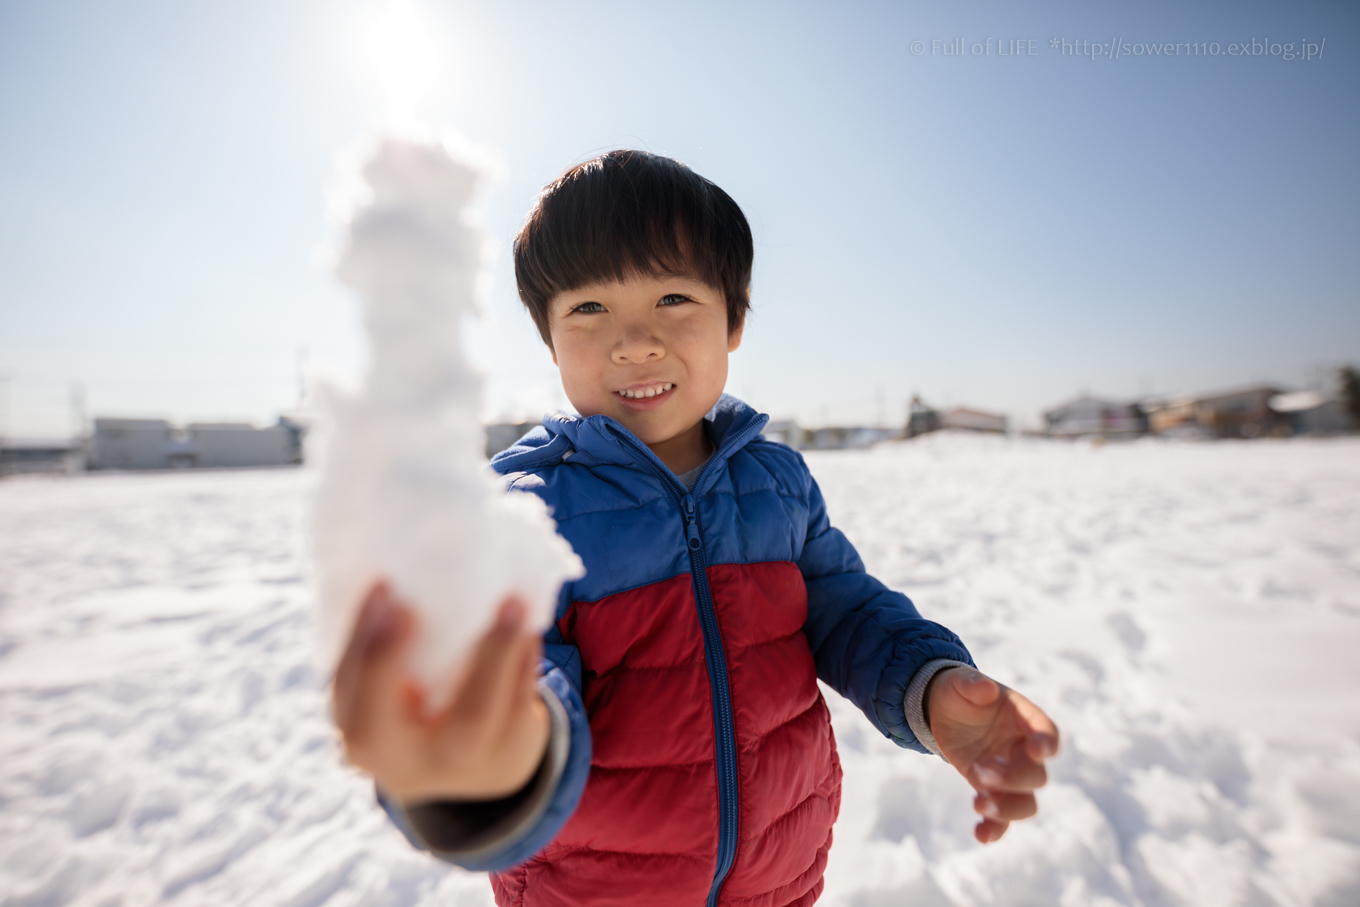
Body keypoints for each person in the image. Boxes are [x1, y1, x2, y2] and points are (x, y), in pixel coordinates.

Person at [331, 151, 1059, 907]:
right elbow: (515, 666)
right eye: (589, 308)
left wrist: (931, 685)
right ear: (547, 336)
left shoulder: (777, 484)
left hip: (777, 874)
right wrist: (494, 756)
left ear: (734, 317)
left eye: (673, 296)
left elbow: (845, 611)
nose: (635, 341)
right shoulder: (526, 510)